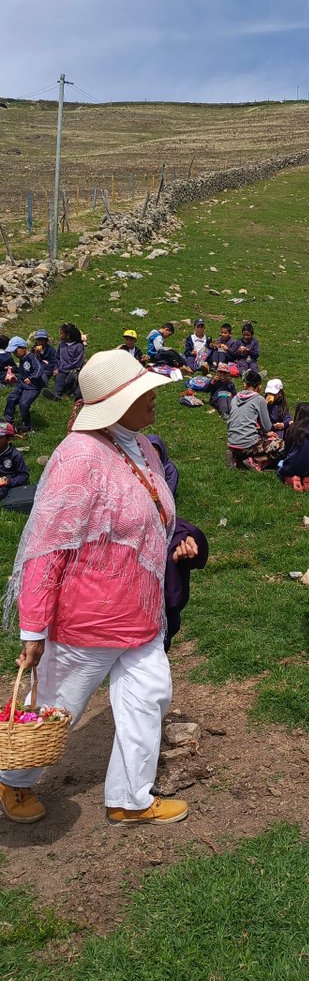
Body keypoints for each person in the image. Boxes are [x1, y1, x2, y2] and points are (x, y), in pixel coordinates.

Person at [0, 349, 190, 827]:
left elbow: (153, 513)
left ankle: (129, 797)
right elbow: (48, 547)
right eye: (142, 391)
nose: (152, 397)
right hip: (86, 619)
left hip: (140, 611)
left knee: (150, 695)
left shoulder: (140, 444)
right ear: (115, 402)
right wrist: (33, 628)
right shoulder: (78, 457)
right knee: (56, 708)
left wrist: (182, 538)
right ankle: (13, 780)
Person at [226, 368, 272, 470]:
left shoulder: (234, 398)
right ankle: (255, 461)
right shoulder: (259, 400)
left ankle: (235, 456)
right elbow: (267, 427)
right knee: (281, 446)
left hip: (231, 442)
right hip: (248, 444)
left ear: (245, 384)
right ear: (259, 386)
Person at [277, 402, 309, 492]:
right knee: (306, 467)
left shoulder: (293, 429)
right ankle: (307, 478)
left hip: (292, 465)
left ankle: (293, 477)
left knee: (280, 466)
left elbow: (287, 451)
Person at [3, 337, 46, 433]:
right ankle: (8, 421)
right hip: (21, 385)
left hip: (32, 387)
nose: (14, 354)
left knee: (24, 404)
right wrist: (12, 369)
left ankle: (27, 426)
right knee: (11, 398)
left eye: (15, 351)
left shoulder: (32, 357)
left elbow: (39, 369)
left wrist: (31, 378)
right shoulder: (22, 358)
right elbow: (23, 369)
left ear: (23, 348)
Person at [52, 323, 85, 400]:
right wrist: (56, 368)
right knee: (59, 378)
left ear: (68, 335)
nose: (59, 335)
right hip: (62, 370)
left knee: (74, 383)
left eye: (61, 333)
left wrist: (60, 369)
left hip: (74, 371)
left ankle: (76, 395)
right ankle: (57, 395)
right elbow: (57, 358)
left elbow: (76, 363)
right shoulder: (62, 344)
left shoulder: (78, 347)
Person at [0, 421, 30, 498]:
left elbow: (24, 475)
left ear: (8, 439)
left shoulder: (15, 455)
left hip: (5, 483)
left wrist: (9, 482)